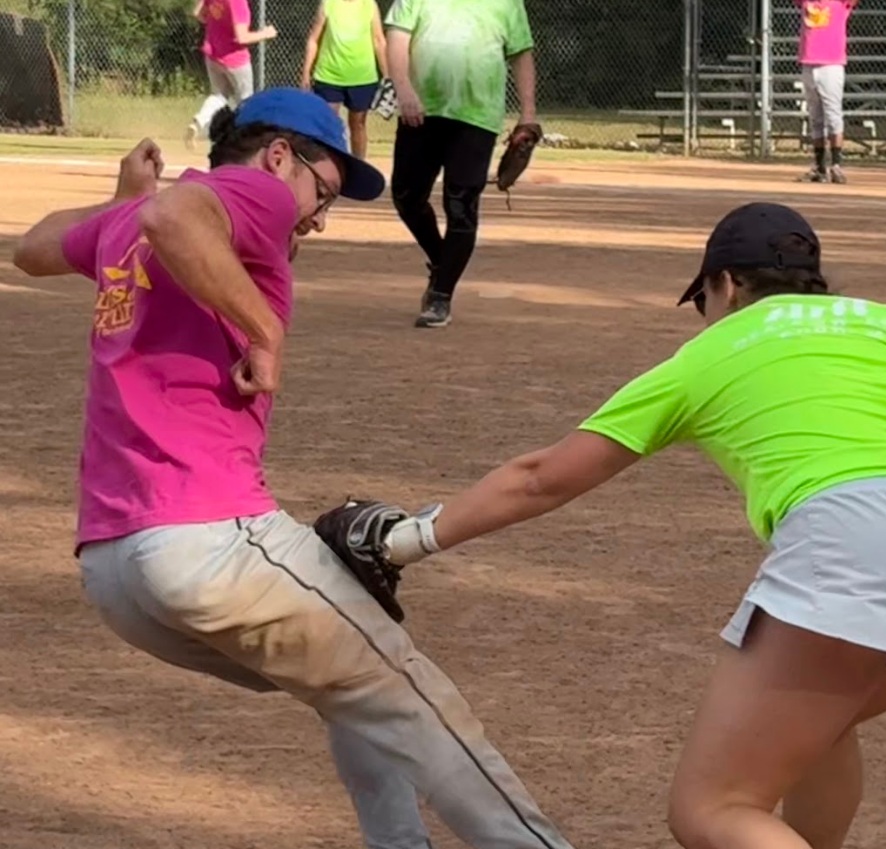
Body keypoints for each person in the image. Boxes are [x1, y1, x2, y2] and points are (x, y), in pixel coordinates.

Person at [337, 202, 886, 848]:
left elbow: (541, 477)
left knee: (711, 808)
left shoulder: (712, 351)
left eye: (704, 301)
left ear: (724, 284)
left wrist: (409, 538)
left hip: (862, 535)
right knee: (820, 727)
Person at [12, 87, 578, 849]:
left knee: (347, 678)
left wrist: (122, 201)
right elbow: (175, 217)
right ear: (279, 156)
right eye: (324, 190)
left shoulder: (139, 219)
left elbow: (33, 249)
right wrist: (263, 332)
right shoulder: (251, 192)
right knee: (406, 690)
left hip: (115, 571)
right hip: (208, 537)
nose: (317, 217)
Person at [384, 0, 538, 329]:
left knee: (461, 204)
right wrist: (404, 89)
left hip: (477, 117)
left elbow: (521, 54)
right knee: (406, 196)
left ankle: (441, 295)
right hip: (420, 110)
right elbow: (397, 38)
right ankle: (443, 261)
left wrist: (528, 114)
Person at [301, 0, 389, 159]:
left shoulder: (369, 5)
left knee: (358, 124)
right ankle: (329, 164)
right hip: (329, 75)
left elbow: (379, 41)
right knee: (328, 123)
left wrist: (387, 75)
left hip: (362, 77)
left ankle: (359, 165)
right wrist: (306, 72)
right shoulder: (328, 4)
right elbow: (313, 40)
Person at [186, 0, 277, 149]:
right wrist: (265, 34)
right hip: (235, 59)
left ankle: (199, 122)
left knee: (218, 96)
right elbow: (242, 37)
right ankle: (244, 141)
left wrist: (219, 24)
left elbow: (198, 14)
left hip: (213, 54)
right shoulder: (238, 2)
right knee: (246, 101)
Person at [795, 0, 858, 184]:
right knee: (816, 118)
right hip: (808, 63)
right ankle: (820, 166)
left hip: (831, 65)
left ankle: (836, 165)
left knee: (833, 116)